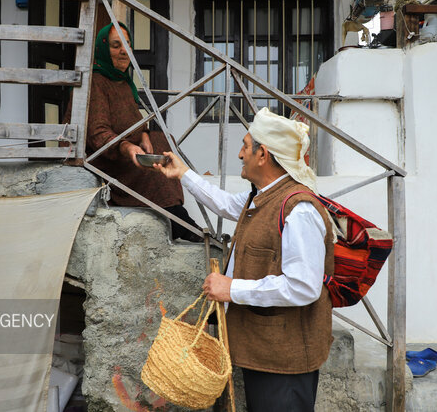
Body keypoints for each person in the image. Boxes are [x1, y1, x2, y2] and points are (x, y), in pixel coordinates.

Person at [155, 107, 334, 412]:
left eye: (245, 146)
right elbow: (224, 203)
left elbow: (304, 287)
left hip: (285, 361)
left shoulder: (298, 210)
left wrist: (231, 289)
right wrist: (182, 174)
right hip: (264, 350)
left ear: (263, 154)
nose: (240, 154)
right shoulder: (261, 196)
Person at [64, 22, 201, 242]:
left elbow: (134, 121)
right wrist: (127, 147)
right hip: (105, 158)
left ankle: (175, 212)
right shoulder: (95, 81)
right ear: (103, 49)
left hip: (126, 151)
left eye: (127, 44)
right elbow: (98, 133)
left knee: (162, 141)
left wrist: (144, 136)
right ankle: (178, 221)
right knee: (151, 163)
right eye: (116, 45)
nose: (123, 51)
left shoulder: (123, 81)